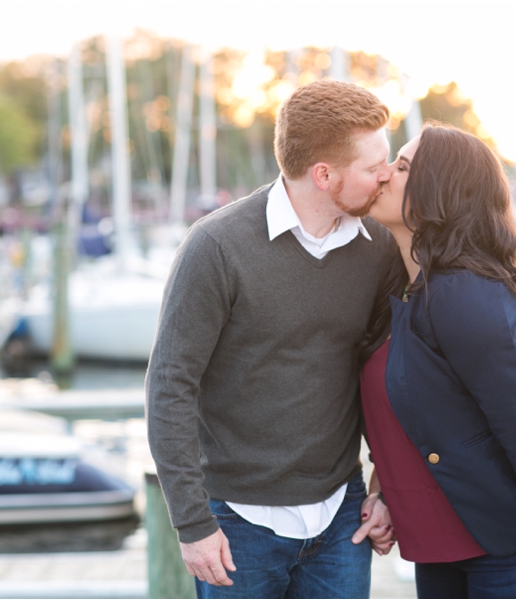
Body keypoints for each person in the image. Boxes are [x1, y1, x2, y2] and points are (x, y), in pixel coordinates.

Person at [145, 79, 397, 599]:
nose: (388, 175)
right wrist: (192, 525)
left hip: (341, 516)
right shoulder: (216, 247)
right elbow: (170, 385)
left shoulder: (378, 250)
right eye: (375, 167)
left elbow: (386, 376)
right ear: (324, 175)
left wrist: (384, 486)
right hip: (236, 524)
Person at [358, 122, 516, 598]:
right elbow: (419, 414)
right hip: (444, 548)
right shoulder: (410, 292)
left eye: (402, 167)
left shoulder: (461, 292)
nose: (383, 175)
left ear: (440, 192)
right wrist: (382, 494)